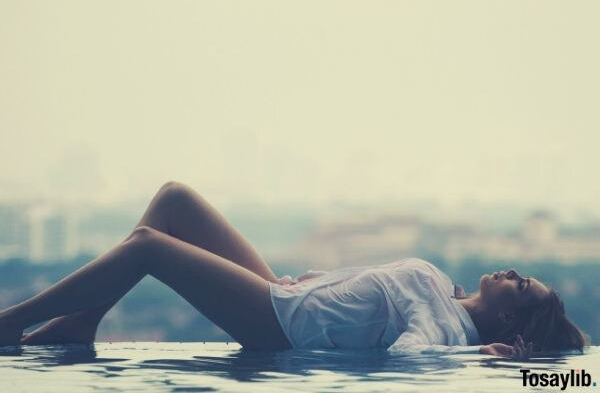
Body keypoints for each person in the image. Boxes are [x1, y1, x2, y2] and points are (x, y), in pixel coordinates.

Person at [0, 182, 588, 359]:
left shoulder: (445, 332)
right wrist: (316, 280)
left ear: (511, 314)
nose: (512, 271)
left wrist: (476, 360)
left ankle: (13, 322)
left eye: (521, 282)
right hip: (288, 295)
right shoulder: (442, 285)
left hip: (280, 325)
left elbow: (410, 360)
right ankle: (82, 322)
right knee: (174, 201)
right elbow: (373, 292)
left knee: (149, 245)